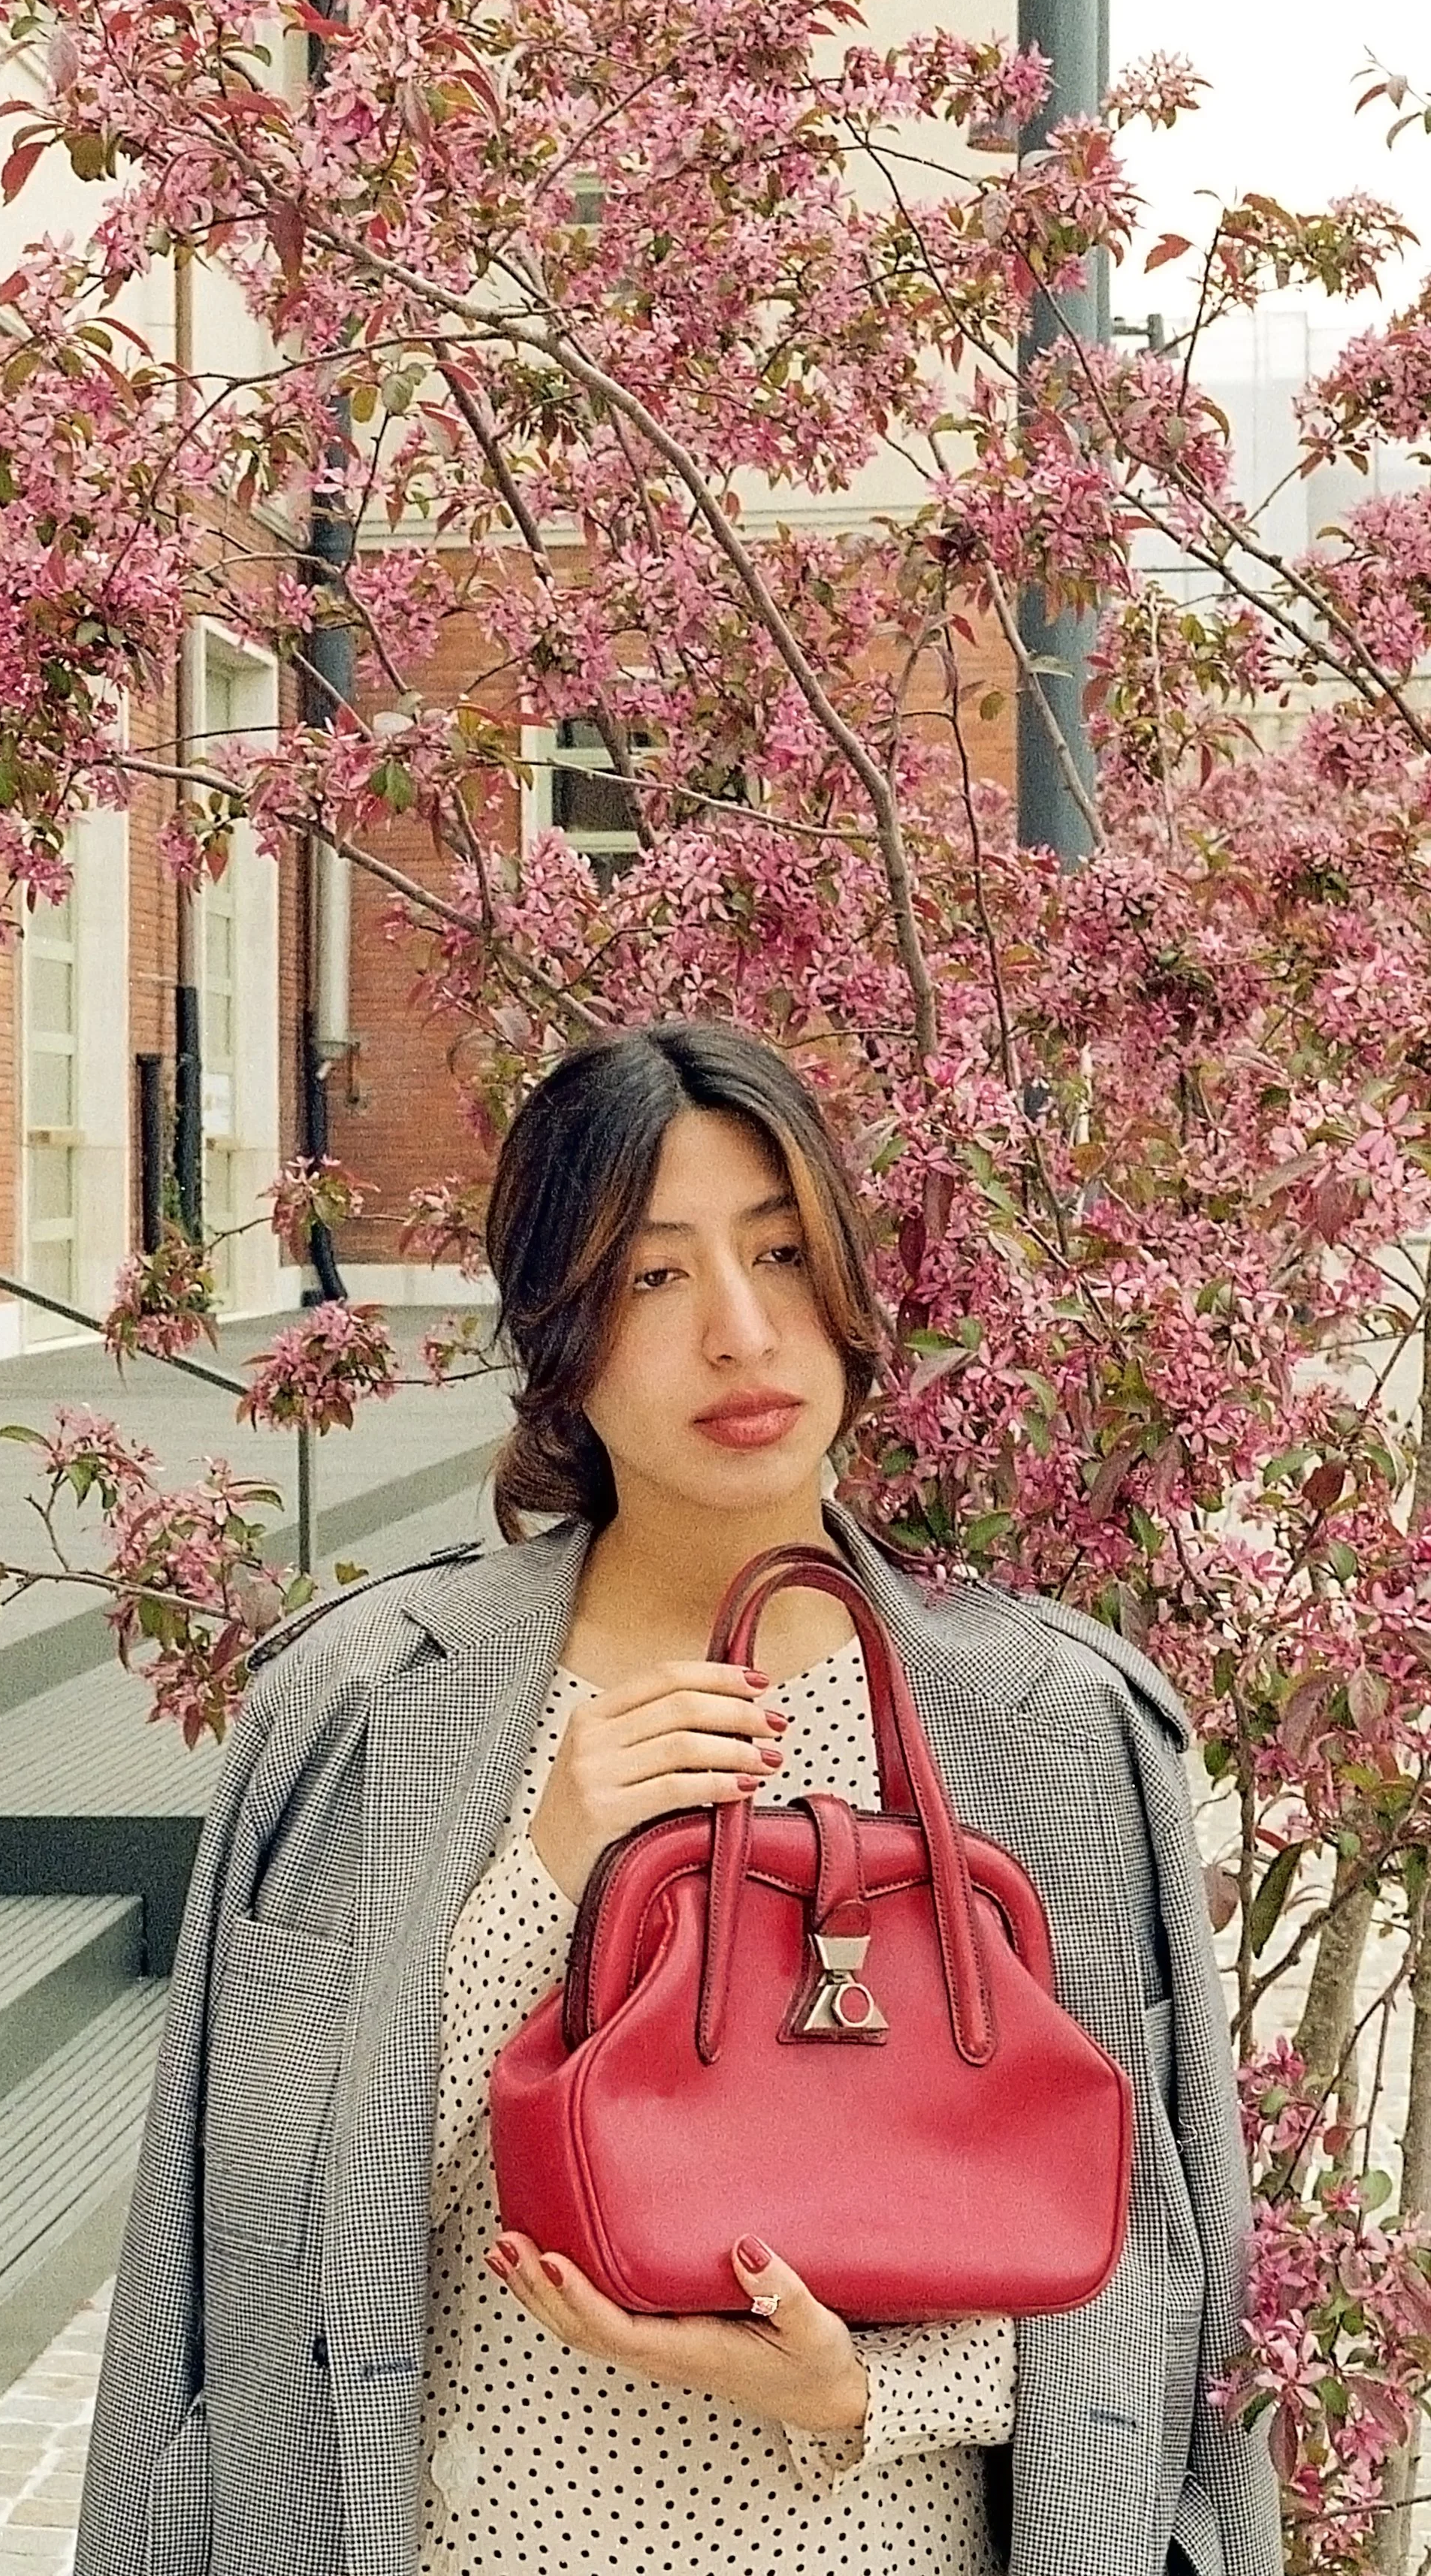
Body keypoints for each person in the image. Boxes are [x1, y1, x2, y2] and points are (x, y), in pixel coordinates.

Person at [74, 1020, 1282, 2576]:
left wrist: (863, 2388)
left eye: (779, 1256)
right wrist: (541, 1871)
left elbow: (1152, 2287)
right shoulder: (364, 1709)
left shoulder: (1052, 1728)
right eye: (653, 1277)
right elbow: (252, 2245)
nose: (737, 1331)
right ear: (556, 1332)